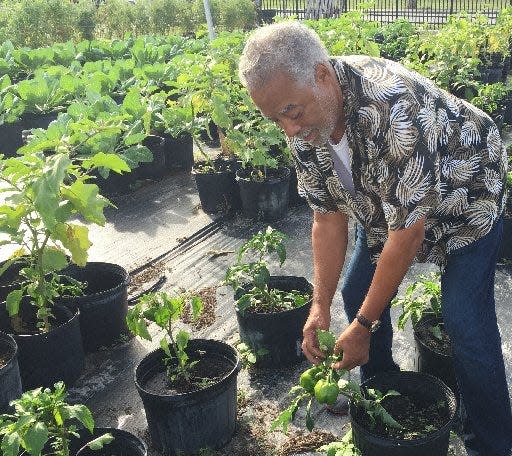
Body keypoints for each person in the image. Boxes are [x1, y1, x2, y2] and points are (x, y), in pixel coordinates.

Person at [238, 21, 512, 456]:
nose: (288, 129)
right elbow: (327, 218)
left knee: (465, 322)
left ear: (323, 76)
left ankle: (494, 444)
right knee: (353, 290)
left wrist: (363, 326)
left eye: (290, 112)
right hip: (389, 204)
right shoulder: (307, 125)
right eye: (275, 119)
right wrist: (319, 305)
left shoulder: (392, 108)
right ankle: (383, 401)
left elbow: (407, 234)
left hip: (467, 193)